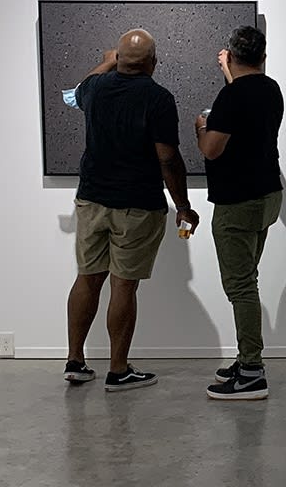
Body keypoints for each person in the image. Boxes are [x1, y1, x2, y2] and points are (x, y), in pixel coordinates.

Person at [64, 29, 200, 391]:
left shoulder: (94, 89)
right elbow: (168, 158)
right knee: (123, 285)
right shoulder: (158, 98)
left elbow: (84, 84)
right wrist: (183, 205)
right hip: (137, 205)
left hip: (91, 199)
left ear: (119, 60)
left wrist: (109, 60)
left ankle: (75, 361)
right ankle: (118, 369)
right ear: (154, 63)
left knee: (87, 278)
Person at [196, 25, 284, 401]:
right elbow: (244, 97)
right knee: (249, 278)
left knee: (241, 287)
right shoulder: (270, 89)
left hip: (237, 203)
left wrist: (201, 127)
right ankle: (246, 359)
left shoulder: (230, 99)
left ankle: (251, 371)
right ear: (263, 57)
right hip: (266, 197)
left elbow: (212, 149)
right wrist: (229, 73)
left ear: (230, 56)